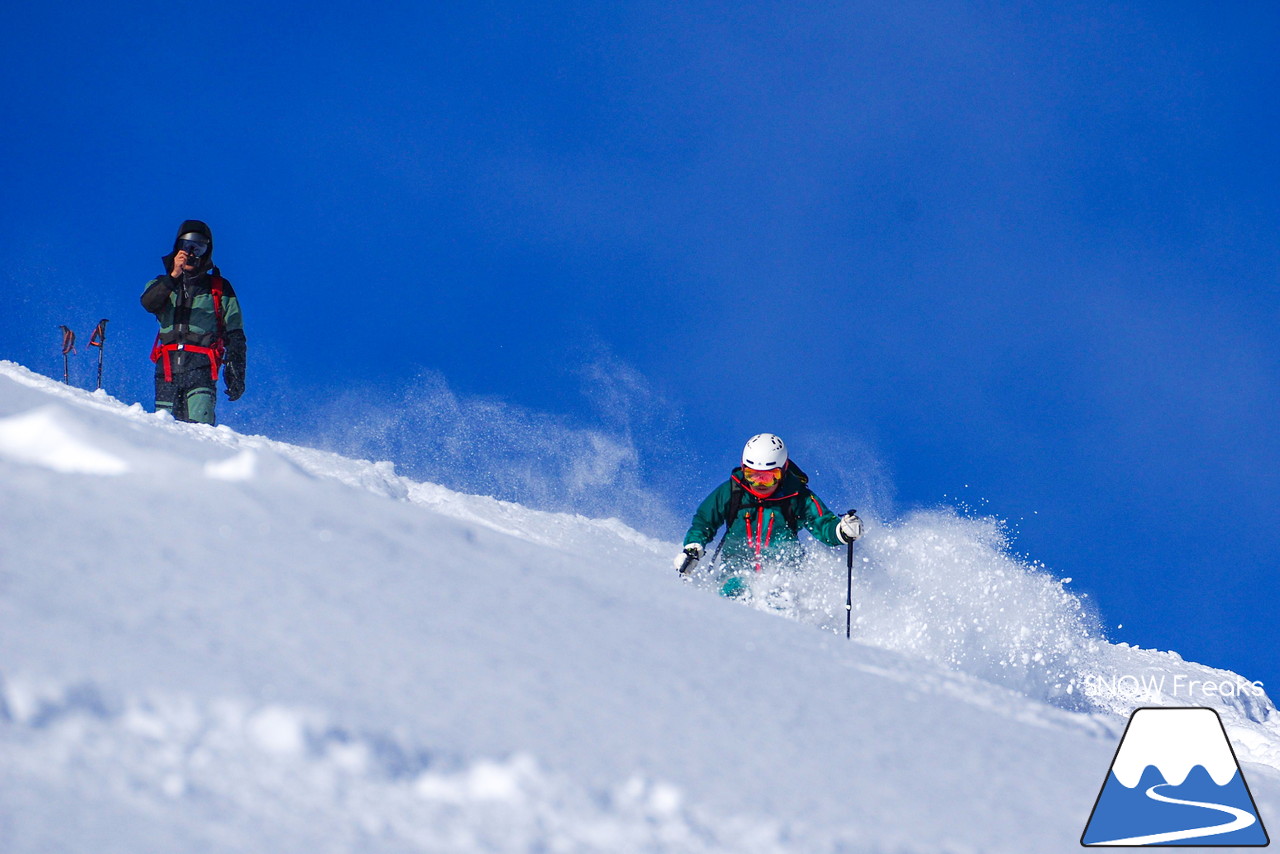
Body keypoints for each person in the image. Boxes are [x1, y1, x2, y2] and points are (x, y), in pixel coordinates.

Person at [675, 433, 863, 597]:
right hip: (735, 567)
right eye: (752, 475)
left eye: (769, 476)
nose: (760, 484)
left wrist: (842, 531)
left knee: (778, 596)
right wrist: (693, 547)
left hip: (783, 572)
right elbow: (704, 520)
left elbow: (823, 523)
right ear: (743, 469)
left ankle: (785, 633)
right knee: (735, 591)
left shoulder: (797, 496)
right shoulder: (733, 491)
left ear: (784, 469)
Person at [140, 220, 246, 425]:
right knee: (164, 428)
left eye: (199, 247)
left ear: (207, 251)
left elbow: (235, 333)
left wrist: (236, 372)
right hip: (167, 368)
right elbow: (148, 303)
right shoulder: (160, 284)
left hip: (201, 367)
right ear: (177, 248)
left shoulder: (219, 288)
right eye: (186, 245)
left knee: (199, 430)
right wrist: (173, 276)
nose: (191, 252)